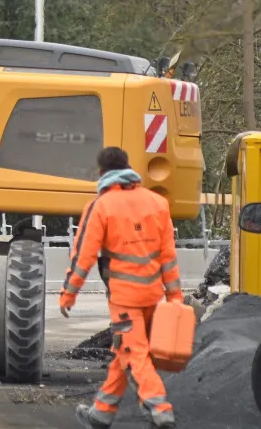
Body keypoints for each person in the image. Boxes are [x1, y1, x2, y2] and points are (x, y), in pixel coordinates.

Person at [59, 146, 180, 429]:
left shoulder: (101, 206)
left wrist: (69, 293)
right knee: (124, 351)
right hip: (153, 297)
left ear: (102, 173)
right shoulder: (157, 203)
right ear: (128, 167)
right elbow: (168, 255)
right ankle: (101, 413)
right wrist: (175, 296)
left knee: (134, 354)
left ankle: (160, 409)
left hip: (125, 300)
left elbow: (83, 255)